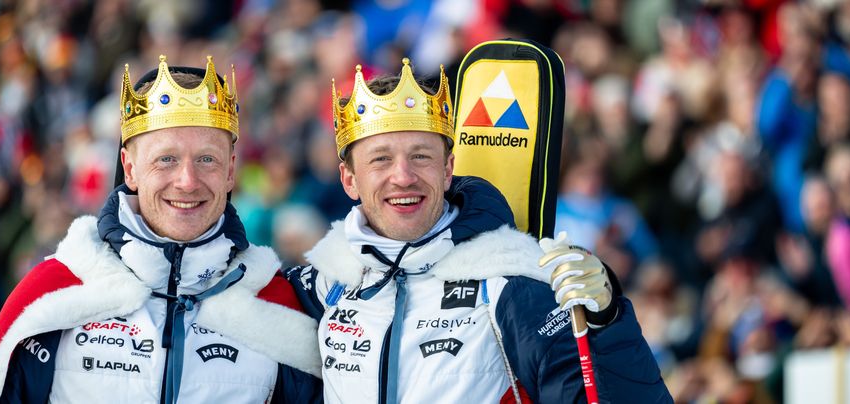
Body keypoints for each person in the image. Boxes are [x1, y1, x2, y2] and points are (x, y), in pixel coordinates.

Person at [286, 58, 671, 403]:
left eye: (421, 156)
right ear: (349, 179)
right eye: (381, 159)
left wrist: (605, 323)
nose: (402, 176)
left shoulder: (511, 285)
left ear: (448, 168)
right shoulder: (321, 286)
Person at [0, 56, 321, 403]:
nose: (187, 181)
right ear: (130, 168)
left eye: (207, 159)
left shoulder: (277, 307)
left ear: (230, 171)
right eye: (166, 159)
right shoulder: (53, 296)